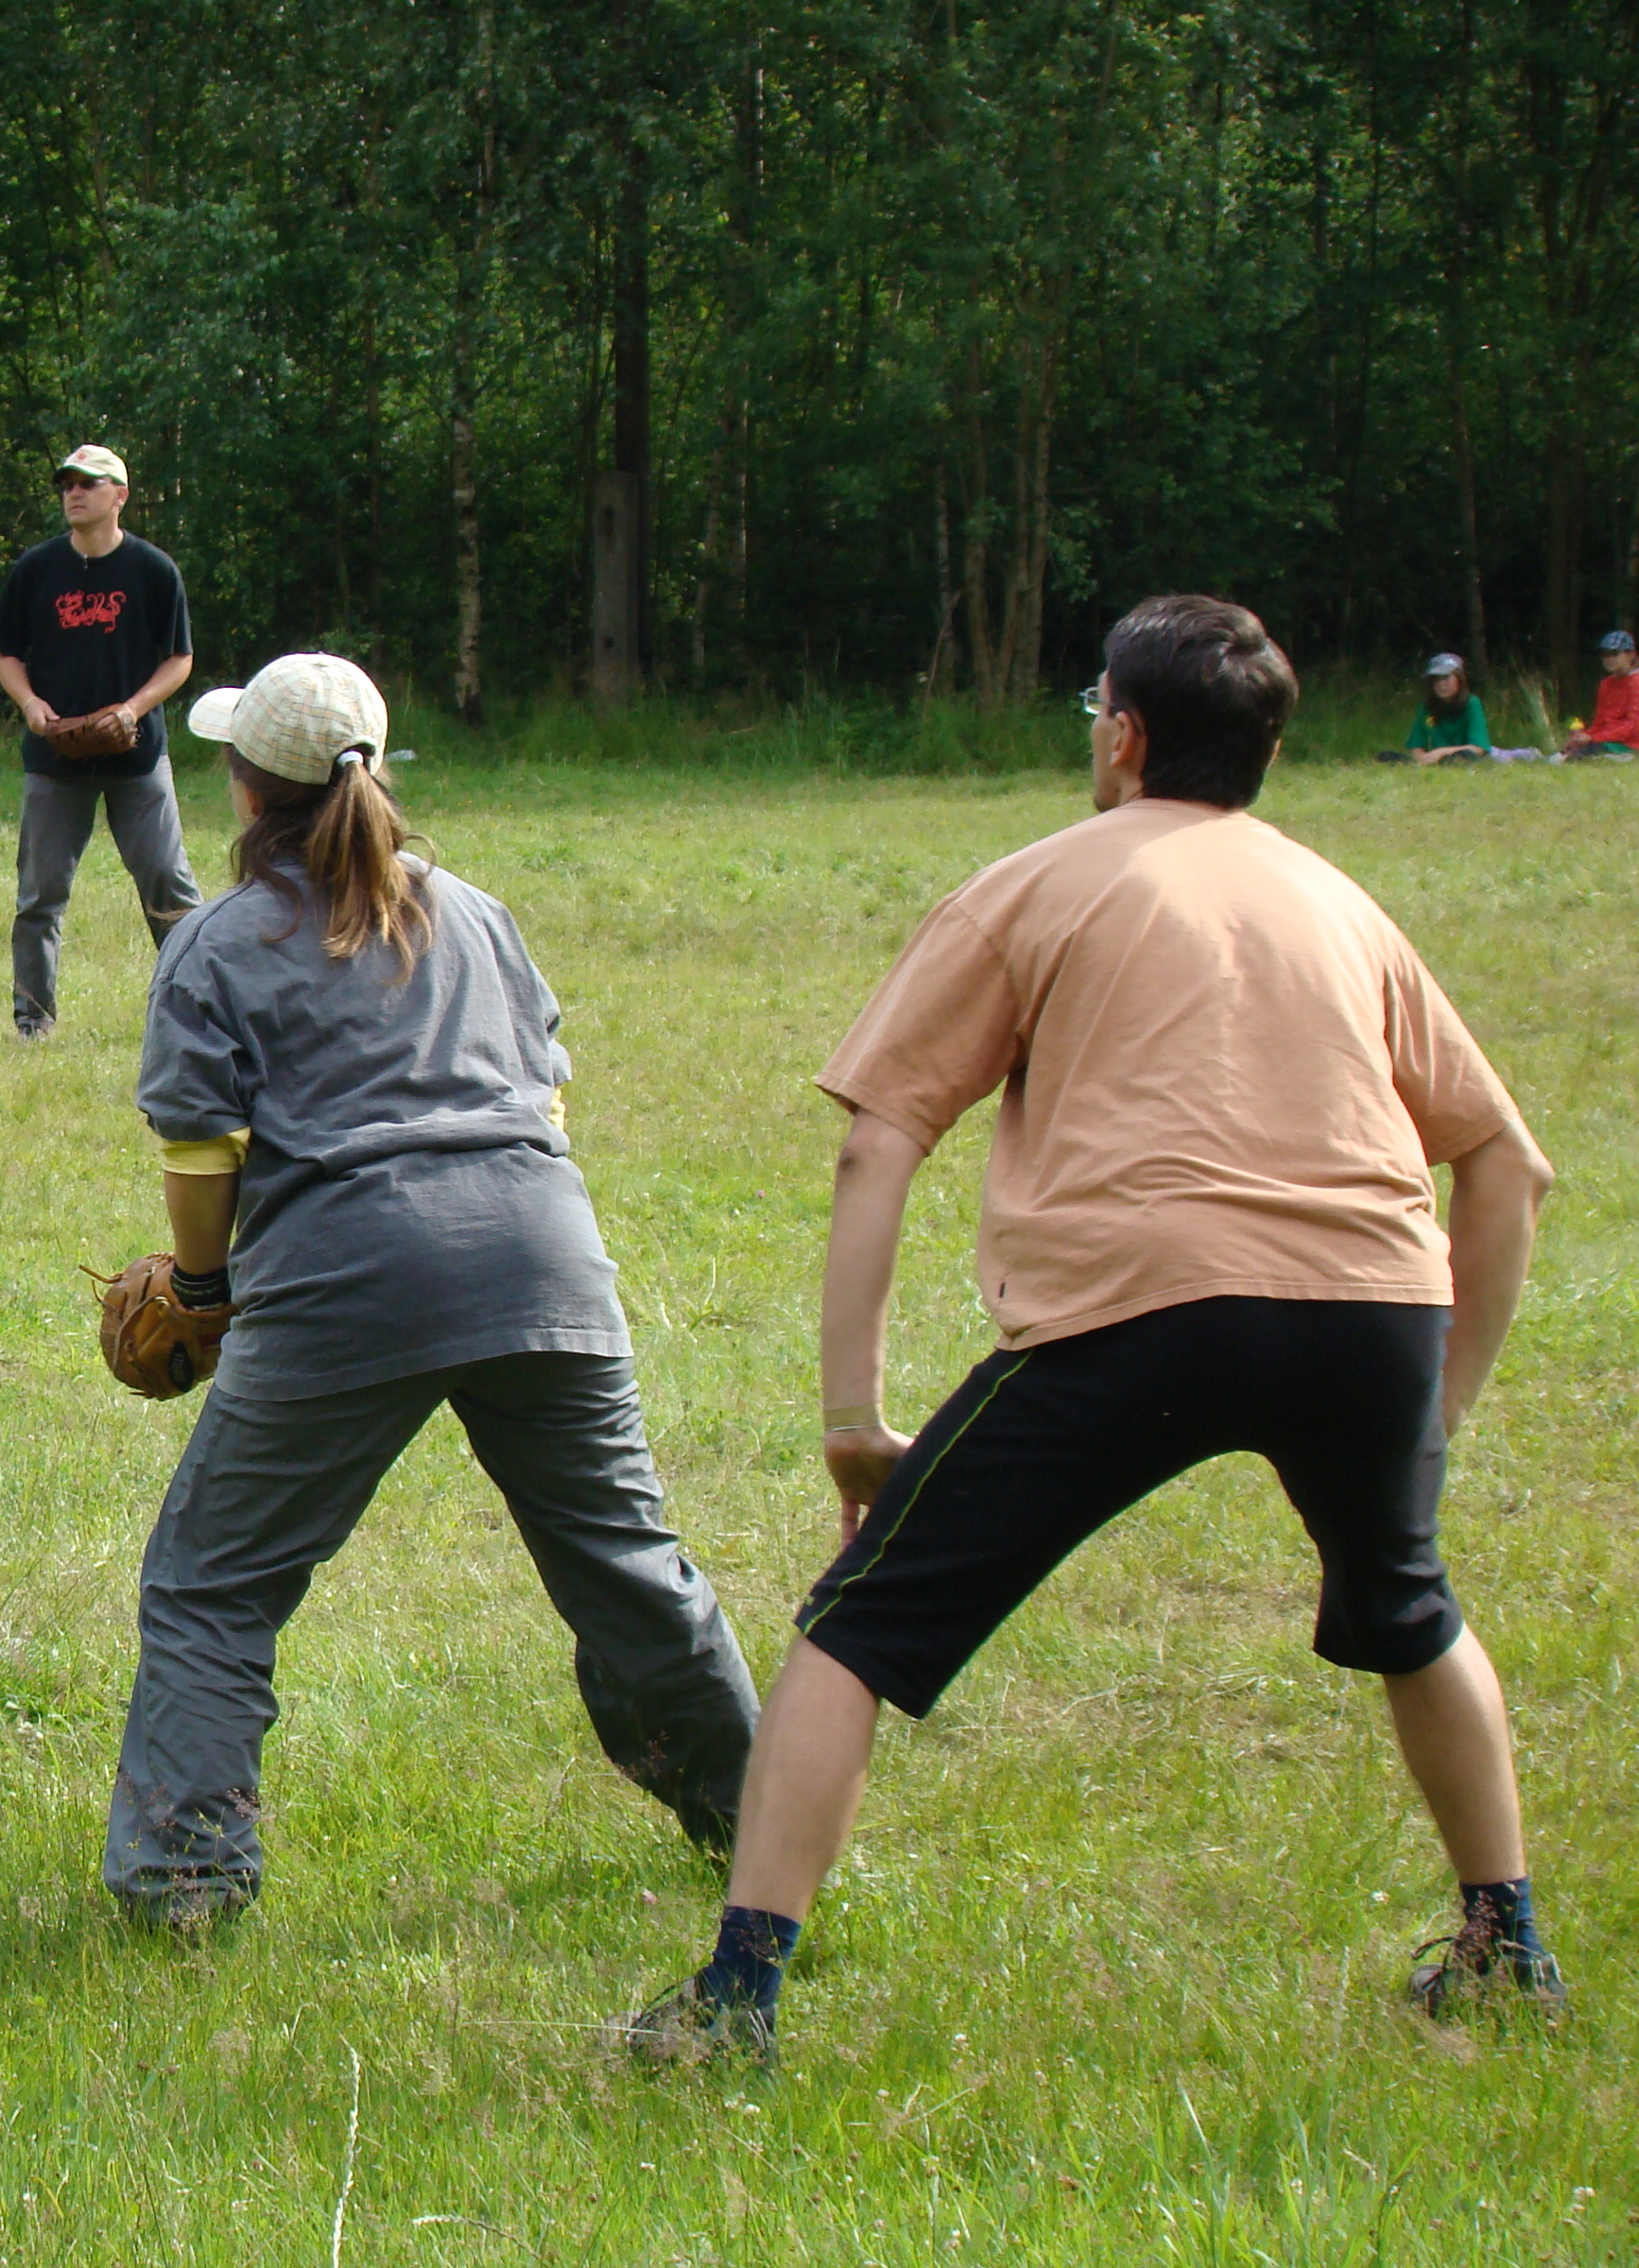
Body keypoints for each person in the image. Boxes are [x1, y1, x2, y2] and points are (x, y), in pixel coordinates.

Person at [623, 594, 1562, 2065]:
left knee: (855, 1631)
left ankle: (737, 1996)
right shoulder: (1342, 905)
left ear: (1122, 737)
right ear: (1262, 750)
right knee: (1412, 1609)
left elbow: (882, 1139)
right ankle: (1508, 1946)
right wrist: (1435, 1409)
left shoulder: (1037, 885)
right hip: (1370, 1309)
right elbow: (1507, 1166)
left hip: (1143, 1309)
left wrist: (854, 1419)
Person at [103, 651, 760, 1927]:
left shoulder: (218, 942)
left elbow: (199, 1150)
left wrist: (202, 1286)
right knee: (628, 1564)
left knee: (212, 1584)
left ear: (246, 787)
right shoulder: (477, 913)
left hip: (350, 1280)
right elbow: (548, 1098)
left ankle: (188, 1885)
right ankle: (765, 1832)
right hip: (543, 1257)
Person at [0, 445, 201, 1040]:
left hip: (136, 755)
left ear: (119, 496)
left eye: (88, 483)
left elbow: (179, 658)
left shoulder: (153, 570)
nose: (74, 493)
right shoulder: (36, 569)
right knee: (40, 895)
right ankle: (33, 1022)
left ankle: (199, 1011)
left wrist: (133, 709)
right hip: (55, 758)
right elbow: (7, 653)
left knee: (168, 884)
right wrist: (30, 704)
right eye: (67, 484)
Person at [1378, 652, 1492, 764]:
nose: (1441, 684)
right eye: (1436, 679)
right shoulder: (1427, 707)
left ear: (1459, 679)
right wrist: (1422, 758)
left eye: (1446, 678)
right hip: (1433, 761)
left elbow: (1478, 748)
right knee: (1386, 756)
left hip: (1460, 757)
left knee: (1464, 756)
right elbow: (1416, 746)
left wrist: (1441, 752)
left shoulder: (1472, 703)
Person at [1553, 630, 1638, 759]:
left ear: (1631, 655)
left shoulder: (1636, 682)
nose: (1609, 659)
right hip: (1606, 741)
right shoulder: (1606, 684)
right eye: (1605, 654)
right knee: (1568, 753)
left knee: (1579, 756)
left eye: (1614, 653)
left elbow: (1633, 727)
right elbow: (1600, 723)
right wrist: (1582, 737)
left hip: (1630, 746)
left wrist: (1594, 738)